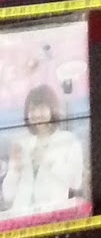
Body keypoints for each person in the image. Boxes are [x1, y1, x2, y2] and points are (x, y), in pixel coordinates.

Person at [0, 86, 85, 218]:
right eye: (32, 109)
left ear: (53, 110)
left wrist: (48, 161)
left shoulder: (68, 140)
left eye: (42, 108)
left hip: (53, 216)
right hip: (21, 217)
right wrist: (14, 170)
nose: (37, 114)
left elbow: (76, 182)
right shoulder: (22, 144)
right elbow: (8, 195)